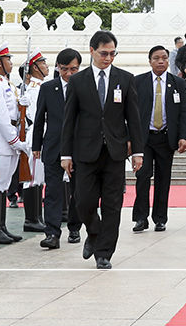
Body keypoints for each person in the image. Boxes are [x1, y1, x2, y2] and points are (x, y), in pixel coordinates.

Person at [60, 30, 144, 270]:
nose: (108, 58)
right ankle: (94, 234)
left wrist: (137, 151)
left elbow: (134, 119)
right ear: (92, 51)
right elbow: (69, 120)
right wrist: (66, 155)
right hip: (85, 152)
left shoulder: (126, 79)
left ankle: (104, 253)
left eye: (112, 53)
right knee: (83, 202)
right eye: (104, 53)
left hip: (115, 152)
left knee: (112, 204)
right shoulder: (77, 81)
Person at [133, 45, 186, 233]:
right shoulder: (138, 82)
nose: (160, 61)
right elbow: (130, 114)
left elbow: (184, 113)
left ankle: (160, 218)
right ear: (149, 61)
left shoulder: (178, 83)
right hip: (144, 139)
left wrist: (183, 137)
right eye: (156, 58)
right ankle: (141, 218)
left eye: (164, 58)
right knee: (142, 177)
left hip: (166, 138)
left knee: (163, 179)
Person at [0, 43, 33, 245]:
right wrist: (14, 140)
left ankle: (1, 227)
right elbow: (2, 116)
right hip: (1, 139)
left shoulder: (6, 83)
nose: (11, 63)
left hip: (9, 137)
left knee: (2, 185)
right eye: (8, 59)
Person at [32, 48, 81, 249]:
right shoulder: (48, 88)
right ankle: (52, 233)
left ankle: (75, 227)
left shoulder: (86, 87)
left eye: (74, 69)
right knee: (52, 191)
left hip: (79, 146)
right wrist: (36, 145)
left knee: (78, 191)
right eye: (65, 69)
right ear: (58, 68)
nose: (69, 74)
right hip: (53, 146)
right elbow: (39, 118)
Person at [19, 51, 49, 234]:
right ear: (34, 68)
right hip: (36, 134)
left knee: (38, 179)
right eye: (42, 63)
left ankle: (37, 216)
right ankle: (31, 219)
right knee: (32, 179)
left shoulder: (41, 86)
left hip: (43, 131)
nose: (46, 66)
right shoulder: (34, 88)